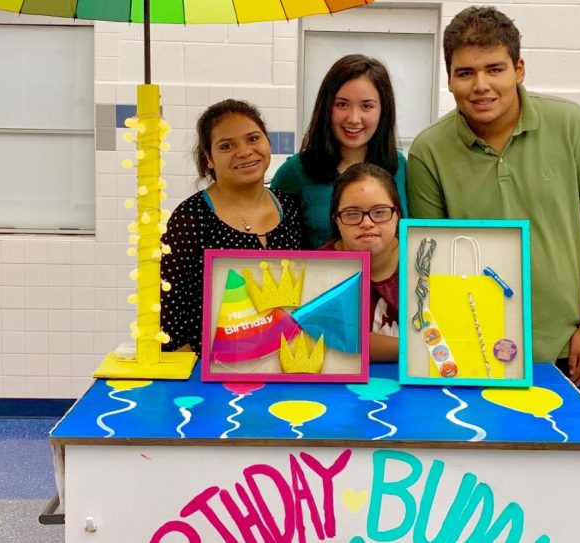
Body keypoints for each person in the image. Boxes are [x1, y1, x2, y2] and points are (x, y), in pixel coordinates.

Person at [407, 6, 580, 408]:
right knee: (482, 469)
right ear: (449, 79)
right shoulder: (429, 151)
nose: (481, 85)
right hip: (473, 348)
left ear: (518, 69)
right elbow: (431, 262)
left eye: (495, 69)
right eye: (465, 73)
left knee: (573, 467)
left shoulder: (570, 125)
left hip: (565, 345)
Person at [160, 99, 303, 356]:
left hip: (282, 362)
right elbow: (170, 313)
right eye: (226, 146)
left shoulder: (290, 209)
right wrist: (193, 383)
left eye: (253, 138)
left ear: (267, 142)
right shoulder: (190, 218)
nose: (244, 151)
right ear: (209, 158)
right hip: (208, 369)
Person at [271, 54, 408, 249]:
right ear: (326, 107)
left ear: (383, 110)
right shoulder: (294, 172)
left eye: (366, 106)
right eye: (342, 104)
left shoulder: (400, 166)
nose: (353, 118)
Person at [320, 163, 401, 362]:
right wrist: (419, 347)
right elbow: (330, 341)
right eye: (352, 214)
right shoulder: (319, 267)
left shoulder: (425, 259)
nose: (367, 223)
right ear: (336, 219)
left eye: (380, 212)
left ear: (397, 214)